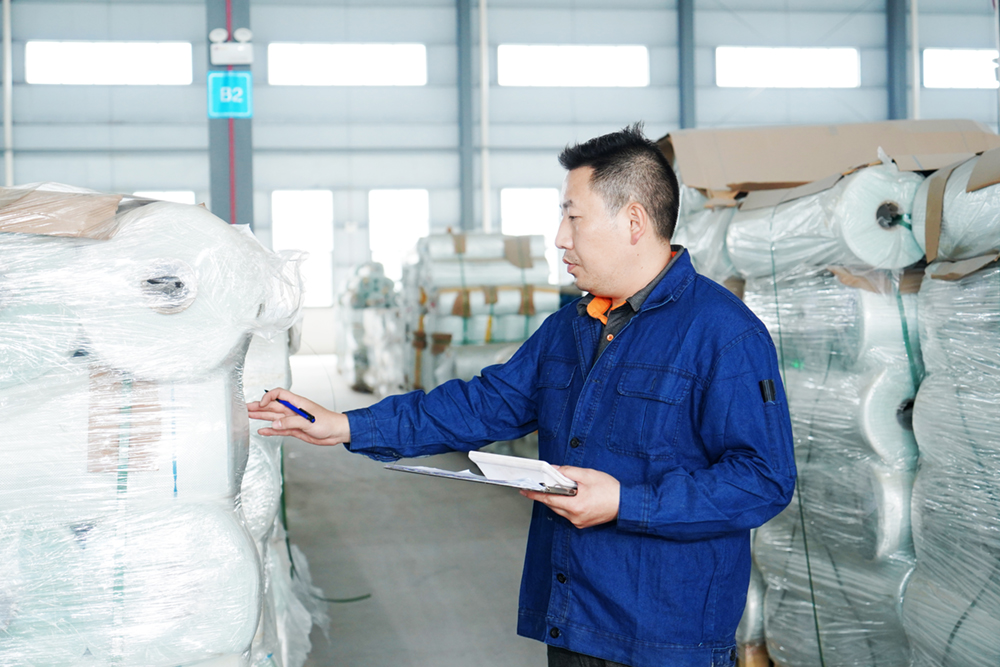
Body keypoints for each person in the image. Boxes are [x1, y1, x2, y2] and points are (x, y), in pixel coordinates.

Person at [249, 123, 796, 667]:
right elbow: (484, 404)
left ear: (633, 221)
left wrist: (625, 502)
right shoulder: (571, 327)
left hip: (665, 639)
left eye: (573, 217)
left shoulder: (723, 334)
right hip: (574, 618)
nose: (560, 238)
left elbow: (763, 480)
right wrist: (347, 425)